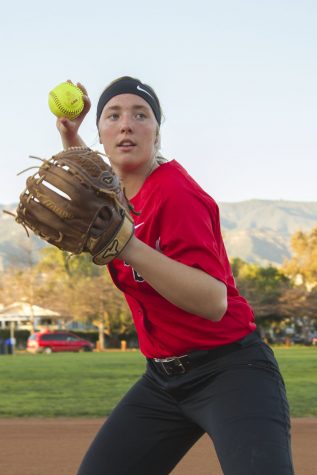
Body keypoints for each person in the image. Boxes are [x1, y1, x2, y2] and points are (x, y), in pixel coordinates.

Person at [57, 77, 294, 475]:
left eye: (140, 114)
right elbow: (88, 180)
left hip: (230, 370)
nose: (126, 124)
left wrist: (127, 244)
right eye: (112, 116)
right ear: (101, 133)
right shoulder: (112, 195)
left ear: (157, 132)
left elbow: (213, 301)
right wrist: (69, 133)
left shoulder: (176, 193)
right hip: (162, 381)